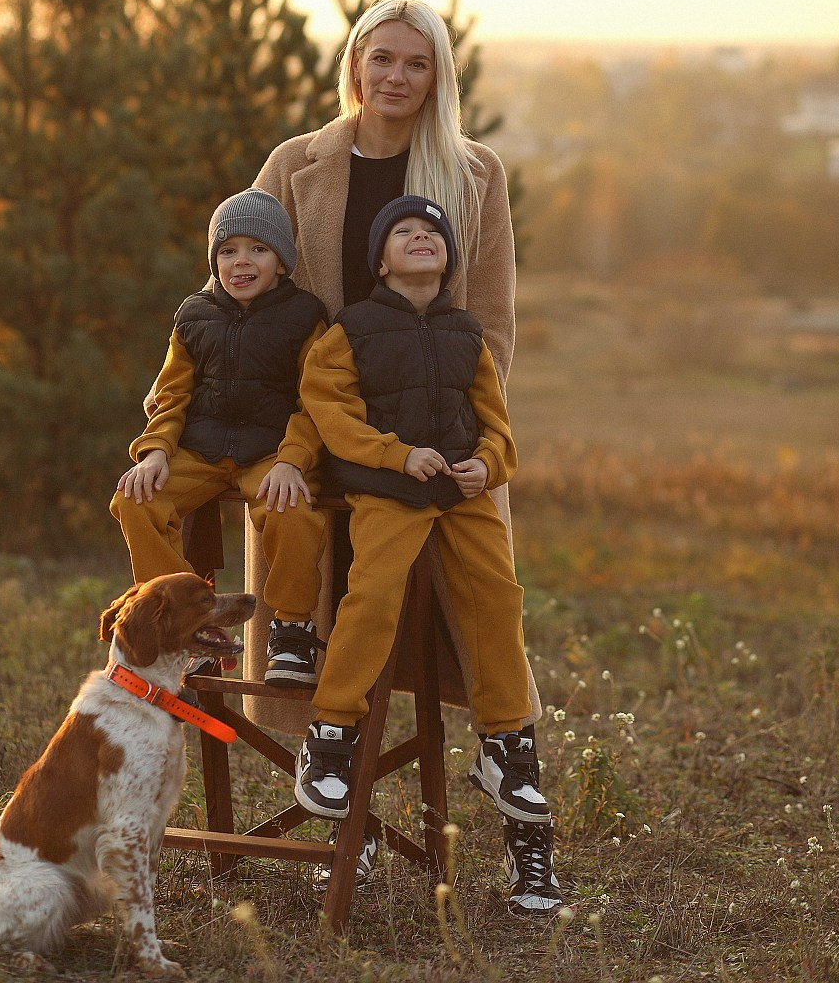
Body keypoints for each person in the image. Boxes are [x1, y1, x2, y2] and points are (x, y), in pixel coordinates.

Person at [289, 196, 562, 916]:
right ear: (379, 261)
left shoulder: (466, 332)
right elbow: (330, 410)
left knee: (498, 599)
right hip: (388, 487)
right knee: (372, 597)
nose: (420, 238)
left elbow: (497, 424)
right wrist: (396, 454)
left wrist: (489, 465)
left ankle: (505, 749)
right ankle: (331, 733)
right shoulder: (352, 328)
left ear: (449, 258)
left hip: (462, 492)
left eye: (432, 233)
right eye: (403, 232)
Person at [111, 188, 331, 685]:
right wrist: (155, 451)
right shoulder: (194, 315)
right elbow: (171, 393)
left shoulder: (305, 316)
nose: (242, 262)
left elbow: (317, 400)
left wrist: (294, 459)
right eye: (228, 251)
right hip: (202, 450)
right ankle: (191, 620)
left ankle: (293, 630)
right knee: (136, 499)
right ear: (214, 260)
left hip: (271, 453)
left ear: (281, 262)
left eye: (258, 249)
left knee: (293, 513)